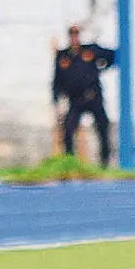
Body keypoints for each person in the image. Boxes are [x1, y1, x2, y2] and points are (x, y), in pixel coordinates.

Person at [52, 24, 117, 167]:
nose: (74, 38)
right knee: (68, 128)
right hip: (75, 99)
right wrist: (57, 99)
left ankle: (105, 161)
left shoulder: (90, 51)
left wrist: (104, 67)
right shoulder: (63, 56)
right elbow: (57, 81)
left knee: (102, 126)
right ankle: (69, 161)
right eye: (72, 34)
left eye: (76, 34)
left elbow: (113, 55)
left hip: (93, 97)